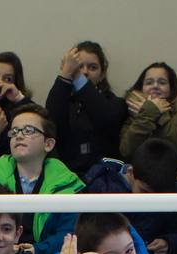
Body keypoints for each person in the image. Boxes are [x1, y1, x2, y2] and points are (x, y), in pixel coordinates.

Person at [0, 103, 84, 254]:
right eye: (14, 131)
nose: (19, 136)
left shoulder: (66, 184)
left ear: (48, 144)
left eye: (28, 131)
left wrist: (37, 251)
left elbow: (68, 233)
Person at [45, 42, 127, 176]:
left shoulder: (116, 104)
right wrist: (66, 73)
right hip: (67, 178)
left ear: (102, 73)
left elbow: (105, 118)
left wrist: (77, 77)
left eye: (93, 67)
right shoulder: (64, 103)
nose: (85, 72)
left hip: (105, 179)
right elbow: (51, 119)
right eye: (79, 67)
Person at [119, 62, 177, 159]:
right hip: (138, 172)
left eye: (162, 82)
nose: (155, 86)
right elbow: (126, 151)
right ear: (141, 88)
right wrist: (146, 115)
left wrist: (159, 116)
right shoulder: (133, 111)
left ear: (171, 88)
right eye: (149, 82)